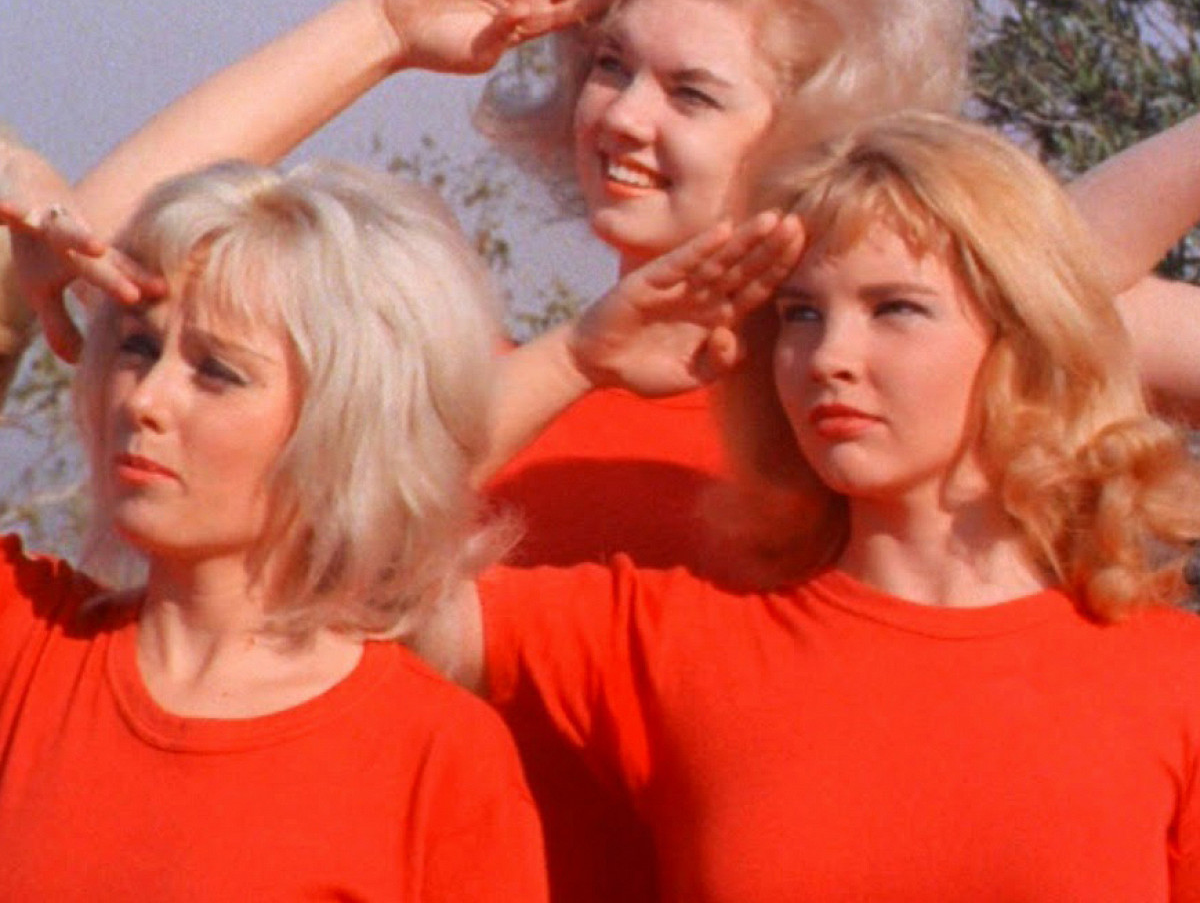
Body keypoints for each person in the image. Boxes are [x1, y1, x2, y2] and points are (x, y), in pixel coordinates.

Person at [32, 0, 1200, 902]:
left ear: (813, 126)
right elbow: (97, 248)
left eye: (690, 91)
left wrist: (950, 248)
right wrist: (383, 28)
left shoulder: (898, 390)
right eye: (606, 65)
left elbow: (1052, 264)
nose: (623, 117)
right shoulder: (495, 392)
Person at [435, 110, 1200, 901]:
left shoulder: (1176, 682)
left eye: (894, 308)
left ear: (1025, 338)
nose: (828, 357)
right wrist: (575, 358)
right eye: (801, 314)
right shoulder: (670, 643)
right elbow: (356, 578)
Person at [0, 144, 548, 900]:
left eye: (216, 371)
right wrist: (14, 182)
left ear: (347, 421)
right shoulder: (23, 644)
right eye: (138, 347)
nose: (146, 400)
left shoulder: (435, 758)